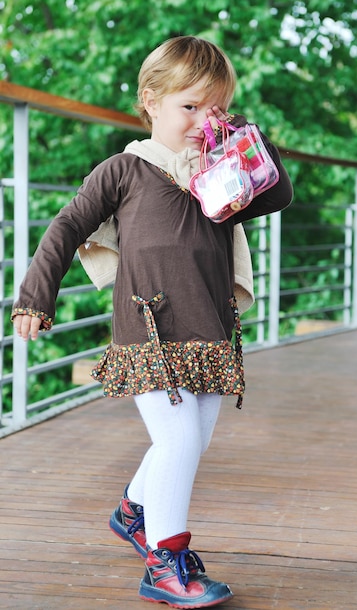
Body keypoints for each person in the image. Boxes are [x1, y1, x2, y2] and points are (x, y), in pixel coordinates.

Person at [12, 35, 293, 608]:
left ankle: (134, 510)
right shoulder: (126, 170)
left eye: (212, 108)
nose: (199, 121)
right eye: (189, 106)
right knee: (179, 437)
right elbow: (66, 228)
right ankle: (165, 561)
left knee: (193, 441)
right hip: (151, 328)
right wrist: (36, 296)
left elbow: (279, 193)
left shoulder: (223, 176)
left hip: (211, 327)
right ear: (151, 101)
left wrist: (239, 135)